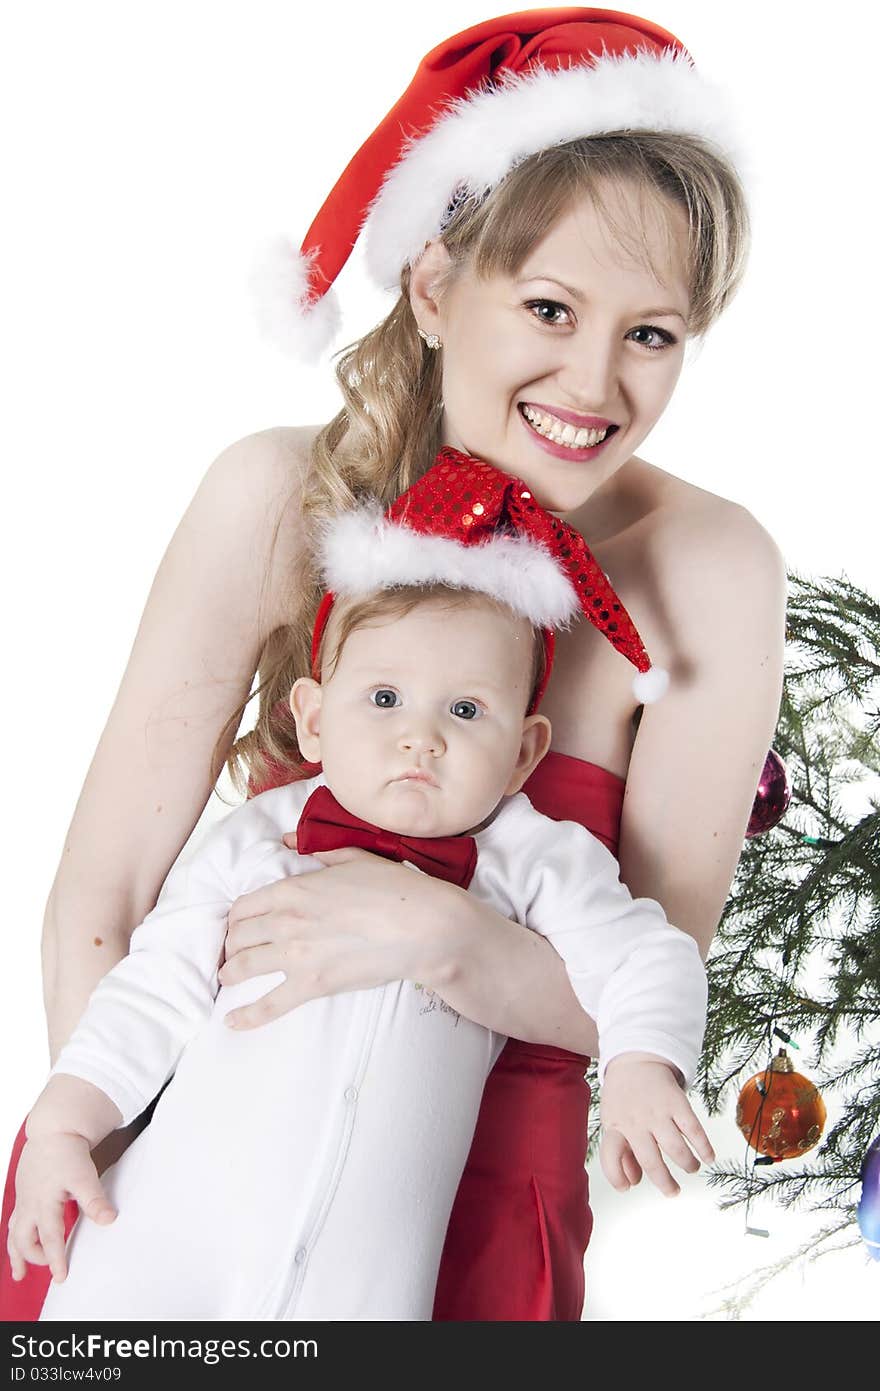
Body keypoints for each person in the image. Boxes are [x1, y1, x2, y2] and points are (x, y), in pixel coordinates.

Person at [0, 10, 786, 1322]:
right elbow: (109, 886)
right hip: (184, 1165)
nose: (596, 381)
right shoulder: (277, 496)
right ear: (433, 287)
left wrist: (443, 934)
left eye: (652, 333)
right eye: (549, 307)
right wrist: (114, 1136)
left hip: (480, 1211)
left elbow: (645, 988)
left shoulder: (705, 568)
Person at [12, 456, 708, 1320]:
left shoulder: (536, 860)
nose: (420, 738)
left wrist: (645, 1063)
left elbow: (648, 954)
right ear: (312, 717)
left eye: (465, 711)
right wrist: (64, 1125)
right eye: (384, 697)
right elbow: (149, 990)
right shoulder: (256, 841)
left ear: (525, 750)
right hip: (167, 1231)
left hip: (366, 1280)